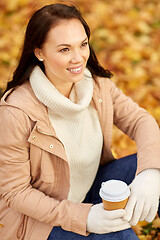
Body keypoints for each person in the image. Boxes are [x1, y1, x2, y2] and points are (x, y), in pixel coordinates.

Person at [0, 3, 160, 240]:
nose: (78, 58)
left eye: (82, 44)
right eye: (64, 49)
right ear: (39, 53)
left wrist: (150, 174)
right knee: (122, 237)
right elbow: (16, 193)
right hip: (44, 219)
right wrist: (85, 217)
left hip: (94, 185)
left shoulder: (96, 85)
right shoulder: (15, 112)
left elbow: (140, 121)